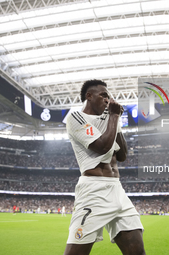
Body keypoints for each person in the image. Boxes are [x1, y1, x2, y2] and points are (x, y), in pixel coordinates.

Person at [64, 79, 145, 255]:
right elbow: (101, 146)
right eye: (103, 95)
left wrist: (116, 124)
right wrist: (114, 117)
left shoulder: (110, 120)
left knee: (137, 251)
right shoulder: (76, 118)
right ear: (89, 96)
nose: (108, 100)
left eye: (109, 96)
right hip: (93, 191)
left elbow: (122, 156)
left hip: (117, 189)